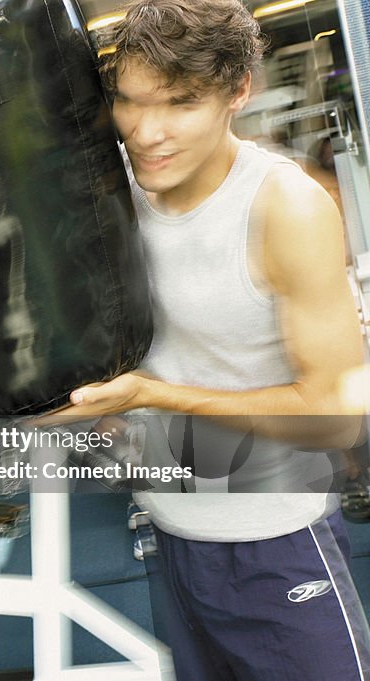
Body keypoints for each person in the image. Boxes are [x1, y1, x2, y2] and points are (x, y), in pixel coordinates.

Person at [48, 1, 370, 679]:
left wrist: (152, 394)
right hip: (169, 534)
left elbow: (336, 418)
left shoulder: (286, 207)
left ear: (238, 91)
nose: (147, 132)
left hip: (275, 541)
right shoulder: (113, 192)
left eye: (181, 103)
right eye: (131, 103)